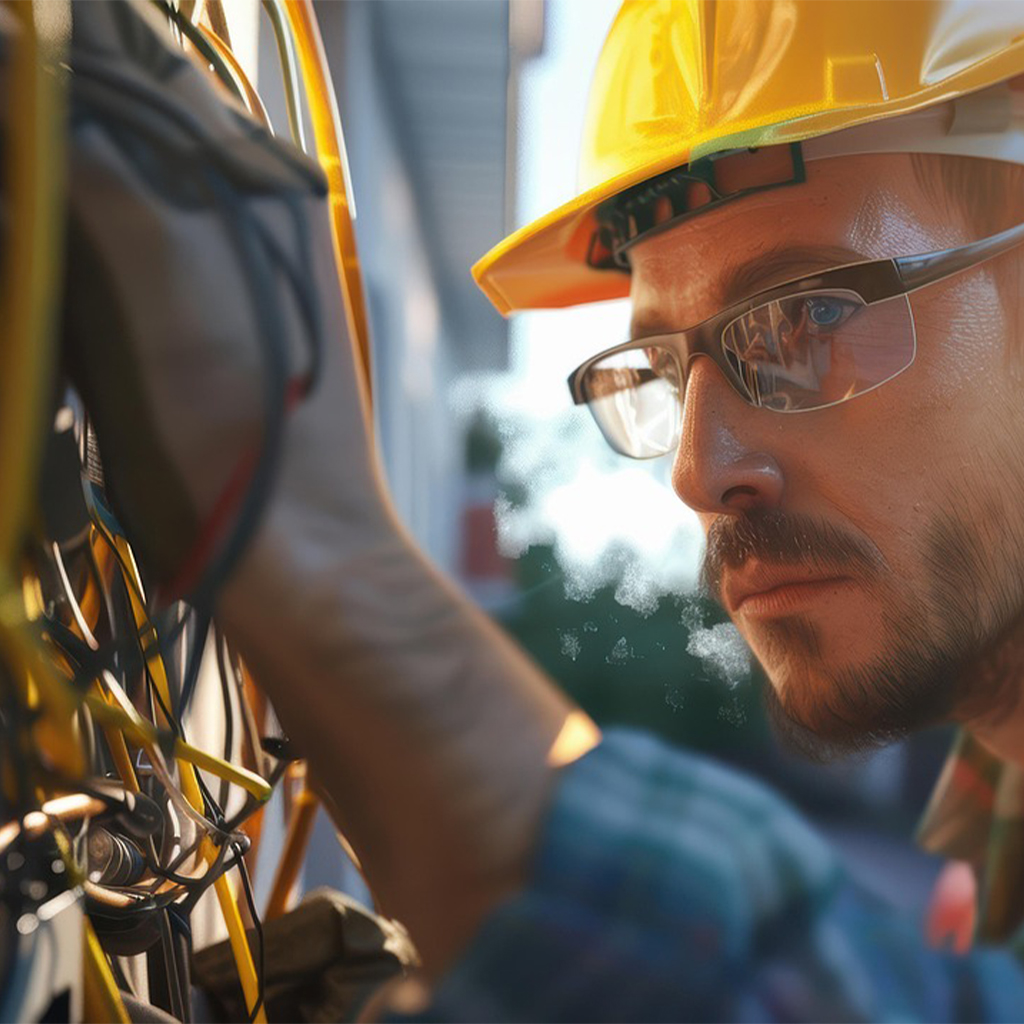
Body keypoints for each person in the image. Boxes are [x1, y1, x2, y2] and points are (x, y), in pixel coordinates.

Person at [65, 0, 1024, 1019]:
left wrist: (318, 545)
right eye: (659, 365)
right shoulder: (988, 807)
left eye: (809, 317)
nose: (699, 471)